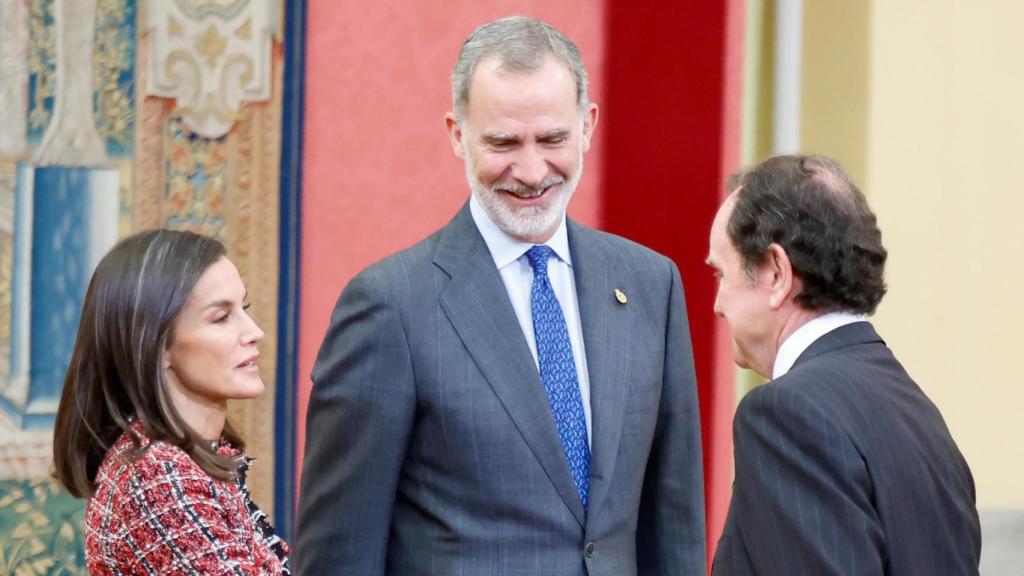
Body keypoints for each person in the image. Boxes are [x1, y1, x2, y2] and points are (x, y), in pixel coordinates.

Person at [296, 16, 705, 576]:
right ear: (456, 134)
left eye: (553, 139)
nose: (532, 170)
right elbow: (339, 554)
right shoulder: (390, 305)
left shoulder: (649, 284)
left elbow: (673, 524)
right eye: (504, 142)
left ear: (587, 126)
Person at [707, 154, 981, 575]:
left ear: (777, 273)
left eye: (721, 275)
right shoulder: (917, 412)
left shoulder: (784, 414)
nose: (717, 304)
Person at [52, 229, 290, 575]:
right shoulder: (157, 479)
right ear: (157, 345)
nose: (255, 331)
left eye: (245, 308)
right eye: (221, 317)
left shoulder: (186, 459)